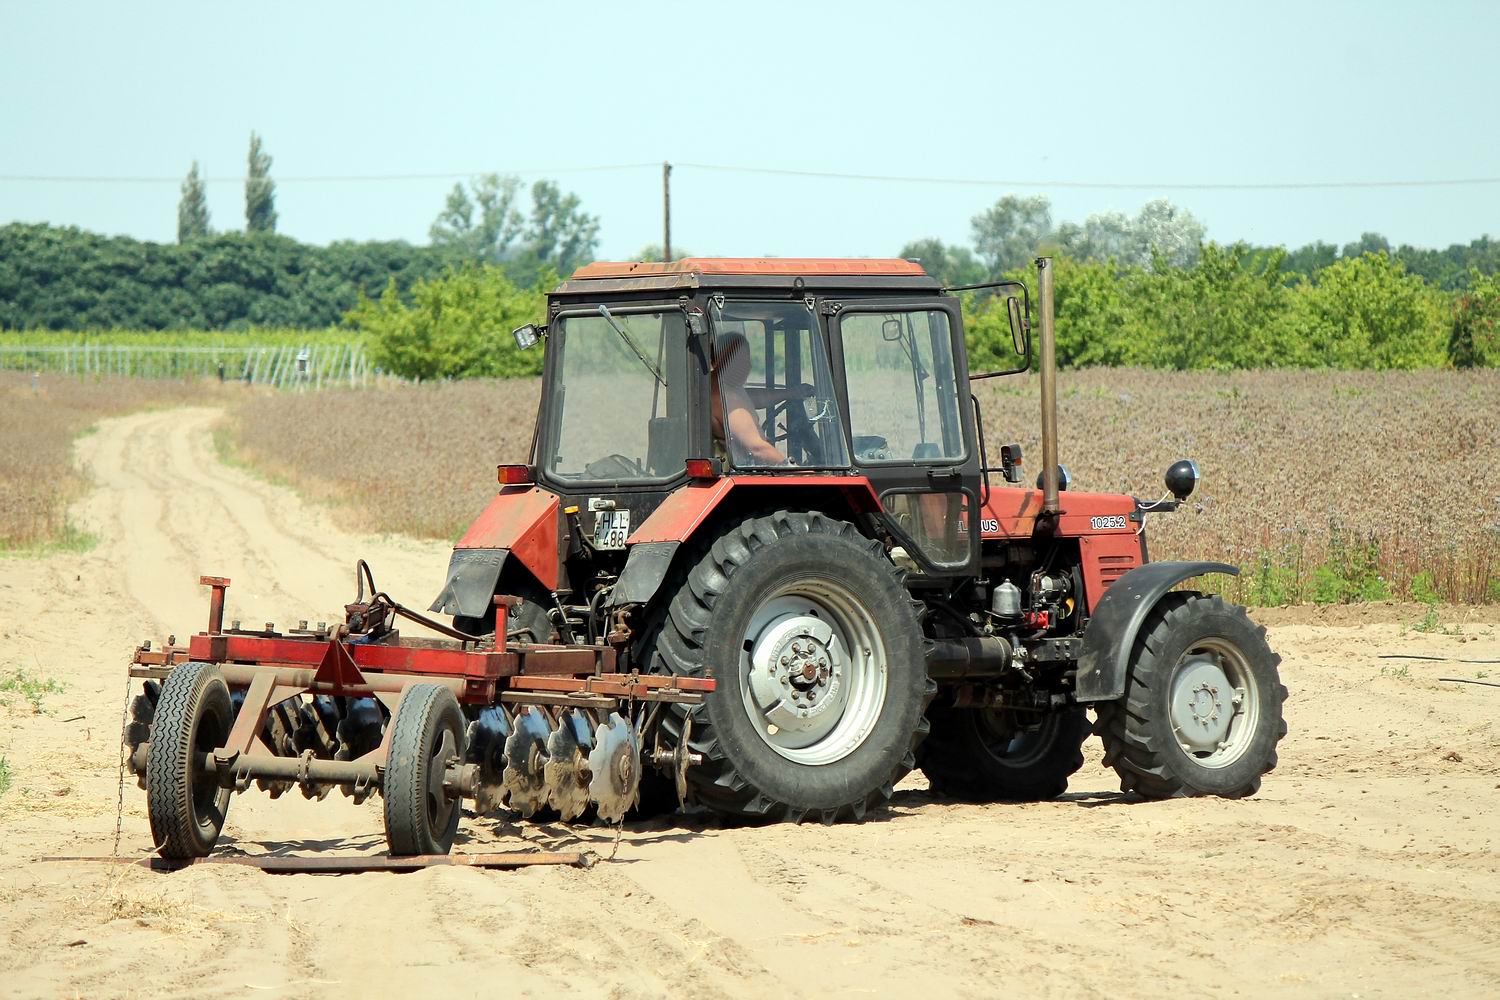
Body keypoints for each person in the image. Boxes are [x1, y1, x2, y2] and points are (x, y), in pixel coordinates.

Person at [710, 334, 788, 465]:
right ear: (716, 361)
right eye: (738, 360)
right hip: (741, 469)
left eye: (746, 359)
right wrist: (795, 469)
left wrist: (790, 393)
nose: (748, 366)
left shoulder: (726, 387)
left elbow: (754, 398)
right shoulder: (725, 395)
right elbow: (757, 448)